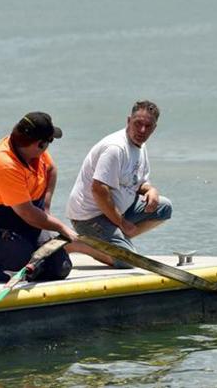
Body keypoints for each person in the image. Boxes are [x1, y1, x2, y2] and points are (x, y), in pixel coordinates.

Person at [0, 111, 79, 282]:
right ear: (39, 144)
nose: (49, 147)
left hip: (25, 222)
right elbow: (27, 212)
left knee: (60, 268)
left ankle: (26, 256)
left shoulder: (36, 154)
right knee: (26, 268)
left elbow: (51, 170)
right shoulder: (4, 165)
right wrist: (62, 228)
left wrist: (45, 208)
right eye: (49, 141)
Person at [66, 100, 172, 268]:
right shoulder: (115, 148)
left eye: (148, 126)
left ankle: (117, 242)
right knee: (129, 261)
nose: (142, 130)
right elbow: (99, 190)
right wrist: (122, 223)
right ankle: (78, 244)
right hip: (90, 217)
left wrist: (151, 190)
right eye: (138, 124)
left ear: (154, 128)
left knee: (164, 207)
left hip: (115, 211)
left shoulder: (140, 146)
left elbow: (136, 182)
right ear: (128, 121)